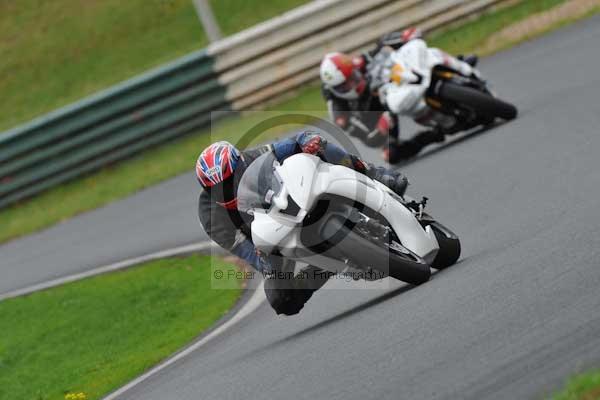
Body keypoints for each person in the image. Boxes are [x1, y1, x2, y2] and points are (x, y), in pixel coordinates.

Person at [196, 132, 409, 315]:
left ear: (240, 163)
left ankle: (375, 174)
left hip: (293, 199)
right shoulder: (211, 216)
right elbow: (244, 249)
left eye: (230, 180)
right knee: (282, 300)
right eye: (219, 188)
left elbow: (290, 144)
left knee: (317, 146)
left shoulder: (253, 157)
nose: (228, 189)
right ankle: (325, 265)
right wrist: (264, 261)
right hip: (270, 239)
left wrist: (307, 140)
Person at [320, 27, 479, 163]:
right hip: (379, 115)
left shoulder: (357, 63)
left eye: (353, 78)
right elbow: (368, 139)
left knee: (419, 58)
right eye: (345, 86)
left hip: (389, 87)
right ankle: (434, 134)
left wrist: (402, 37)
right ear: (334, 89)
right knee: (391, 155)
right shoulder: (340, 113)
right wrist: (381, 128)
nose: (353, 85)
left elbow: (381, 46)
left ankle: (457, 66)